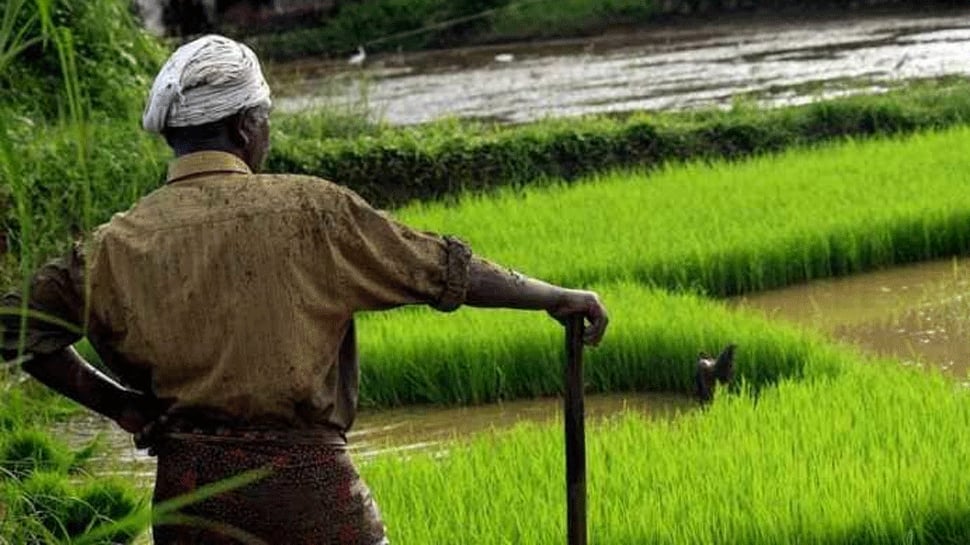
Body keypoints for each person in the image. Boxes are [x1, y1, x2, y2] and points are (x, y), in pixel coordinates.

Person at [0, 35, 608, 544]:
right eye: (264, 122)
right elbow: (440, 268)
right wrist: (555, 295)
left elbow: (17, 329)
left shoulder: (113, 244)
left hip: (189, 500)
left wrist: (120, 407)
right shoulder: (309, 209)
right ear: (245, 128)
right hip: (307, 489)